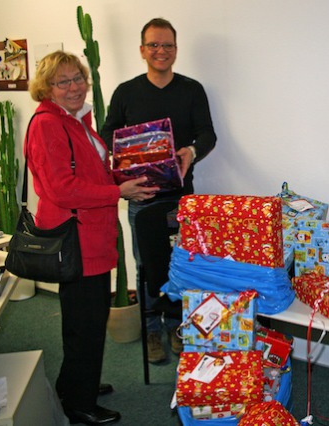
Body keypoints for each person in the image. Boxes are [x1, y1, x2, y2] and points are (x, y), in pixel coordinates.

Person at [27, 51, 159, 425]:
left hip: (91, 236)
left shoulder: (76, 120)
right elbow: (62, 189)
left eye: (78, 78)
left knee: (85, 319)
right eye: (63, 81)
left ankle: (75, 385)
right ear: (47, 88)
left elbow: (96, 172)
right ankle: (79, 405)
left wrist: (128, 179)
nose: (74, 87)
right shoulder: (48, 125)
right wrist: (119, 193)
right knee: (84, 323)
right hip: (76, 240)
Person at [101, 17, 217, 364]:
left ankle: (176, 324)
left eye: (167, 45)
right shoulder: (126, 91)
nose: (160, 51)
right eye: (153, 45)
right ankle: (150, 327)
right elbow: (107, 133)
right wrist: (128, 154)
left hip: (182, 195)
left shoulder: (192, 89)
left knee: (181, 263)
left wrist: (192, 151)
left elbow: (208, 134)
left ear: (176, 50)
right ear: (142, 50)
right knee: (145, 265)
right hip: (140, 196)